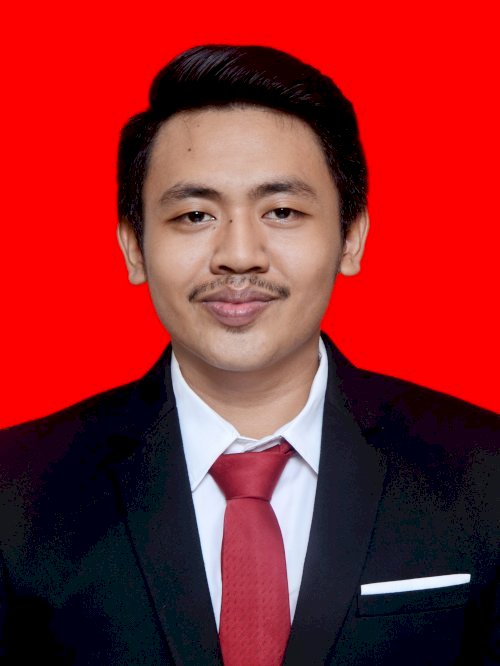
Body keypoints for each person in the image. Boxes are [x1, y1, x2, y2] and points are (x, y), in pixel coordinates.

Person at [0, 44, 498, 666]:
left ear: (351, 237)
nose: (239, 255)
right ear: (134, 247)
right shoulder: (17, 492)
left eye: (282, 211)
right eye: (195, 215)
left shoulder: (483, 473)